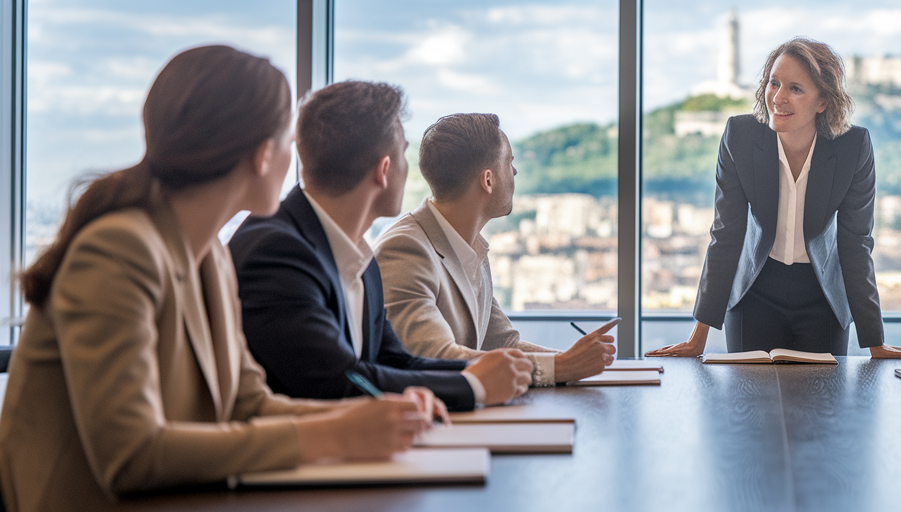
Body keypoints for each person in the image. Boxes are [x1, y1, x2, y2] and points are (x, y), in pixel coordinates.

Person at [0, 46, 438, 511]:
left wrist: (371, 417)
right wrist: (333, 433)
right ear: (261, 154)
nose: (295, 158)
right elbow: (131, 455)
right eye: (288, 140)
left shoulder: (211, 255)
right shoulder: (119, 251)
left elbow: (248, 402)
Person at [231, 81, 533, 412]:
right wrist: (473, 385)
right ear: (384, 170)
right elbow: (339, 380)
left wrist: (481, 374)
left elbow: (397, 361)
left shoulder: (359, 256)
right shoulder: (276, 251)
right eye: (404, 152)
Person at [646, 38, 901, 359]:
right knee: (749, 403)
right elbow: (726, 235)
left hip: (822, 299)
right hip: (754, 294)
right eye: (773, 83)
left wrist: (875, 343)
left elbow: (856, 243)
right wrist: (698, 338)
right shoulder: (740, 136)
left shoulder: (853, 146)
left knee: (824, 405)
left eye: (795, 88)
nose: (777, 98)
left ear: (823, 101)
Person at [376, 113, 616, 384]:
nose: (514, 172)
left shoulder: (471, 246)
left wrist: (573, 362)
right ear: (487, 180)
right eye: (509, 162)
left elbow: (503, 345)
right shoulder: (406, 249)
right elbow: (435, 356)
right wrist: (561, 366)